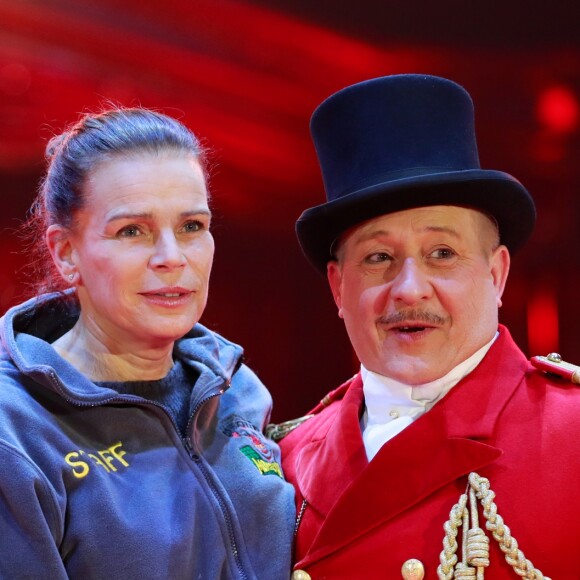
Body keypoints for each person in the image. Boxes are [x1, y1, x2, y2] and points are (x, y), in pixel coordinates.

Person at [276, 75, 580, 579]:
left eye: (442, 253)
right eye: (378, 257)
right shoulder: (280, 463)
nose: (409, 289)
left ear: (496, 273)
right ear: (337, 288)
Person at [0, 107, 295, 579]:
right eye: (132, 231)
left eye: (192, 226)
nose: (172, 257)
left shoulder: (236, 389)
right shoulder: (14, 431)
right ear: (67, 252)